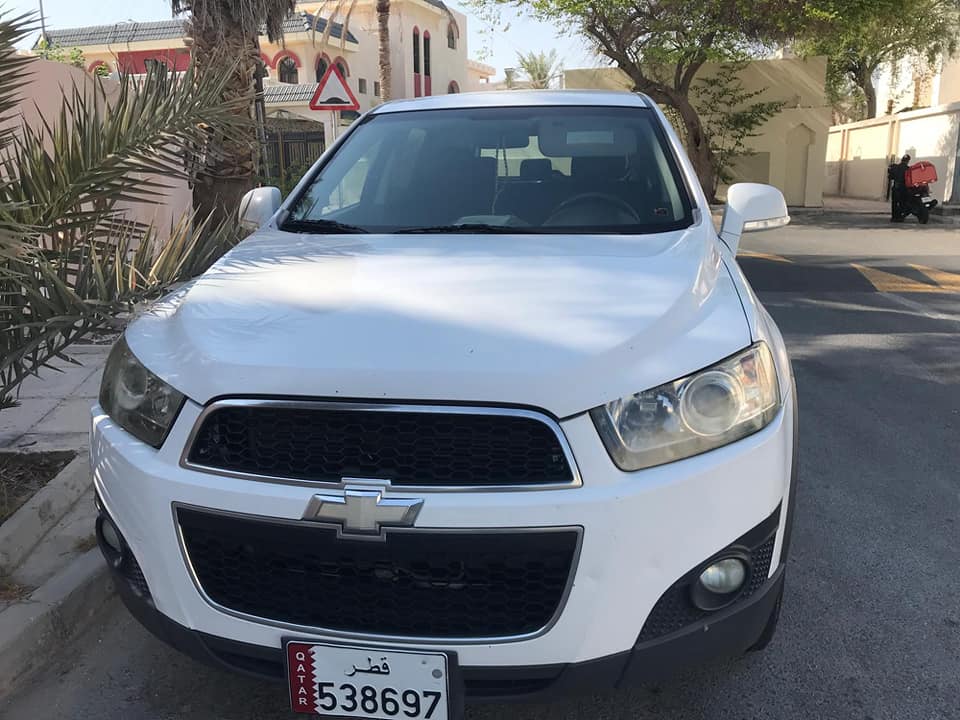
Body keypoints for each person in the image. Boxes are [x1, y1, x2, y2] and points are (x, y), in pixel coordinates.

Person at [888, 154, 911, 222]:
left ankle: (894, 217)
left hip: (896, 187)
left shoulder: (895, 167)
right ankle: (900, 217)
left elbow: (890, 177)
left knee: (895, 203)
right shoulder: (908, 169)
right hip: (904, 189)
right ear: (907, 161)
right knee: (903, 203)